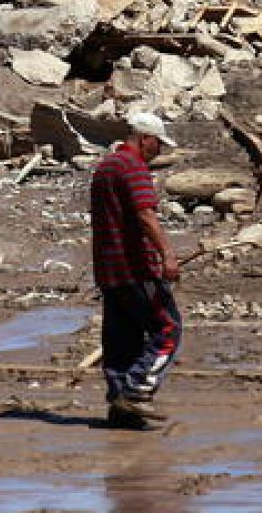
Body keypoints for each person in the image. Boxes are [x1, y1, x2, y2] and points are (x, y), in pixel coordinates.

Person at [91, 110, 181, 428]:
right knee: (167, 329)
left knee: (122, 340)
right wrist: (167, 255)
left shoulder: (106, 166)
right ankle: (136, 391)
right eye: (158, 144)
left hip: (109, 270)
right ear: (145, 139)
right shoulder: (133, 166)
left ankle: (120, 407)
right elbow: (145, 214)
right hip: (135, 269)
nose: (159, 151)